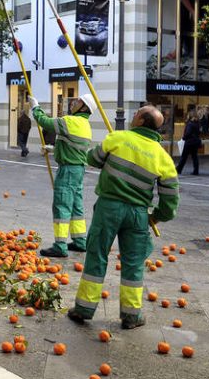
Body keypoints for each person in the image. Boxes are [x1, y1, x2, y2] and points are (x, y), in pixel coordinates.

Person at [67, 105, 180, 329]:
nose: (133, 116)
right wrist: (156, 217)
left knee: (97, 255)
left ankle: (83, 309)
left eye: (137, 114)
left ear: (140, 121)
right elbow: (170, 200)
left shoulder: (117, 138)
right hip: (138, 214)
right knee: (133, 263)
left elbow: (93, 159)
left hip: (108, 208)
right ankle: (131, 316)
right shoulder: (163, 157)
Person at [29, 94, 96, 256]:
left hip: (68, 170)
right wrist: (54, 149)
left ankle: (60, 245)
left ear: (84, 107)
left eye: (79, 101)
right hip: (78, 169)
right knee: (75, 206)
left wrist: (35, 107)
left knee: (62, 205)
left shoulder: (71, 121)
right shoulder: (85, 124)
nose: (74, 102)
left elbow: (45, 122)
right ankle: (80, 241)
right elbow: (73, 146)